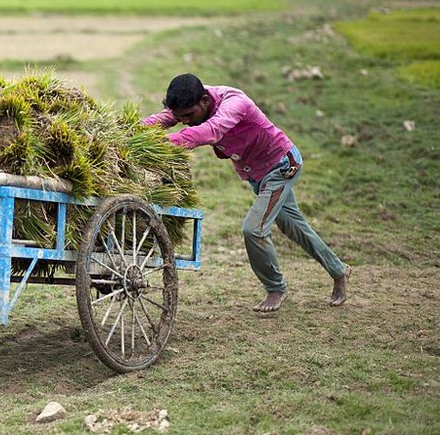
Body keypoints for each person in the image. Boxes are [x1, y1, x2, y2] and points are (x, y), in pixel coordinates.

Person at [143, 73, 350, 313]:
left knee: (254, 229)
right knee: (293, 225)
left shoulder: (233, 103)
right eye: (181, 117)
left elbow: (211, 130)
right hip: (257, 175)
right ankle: (339, 270)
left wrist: (164, 143)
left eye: (189, 116)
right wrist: (133, 133)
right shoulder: (189, 101)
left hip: (281, 166)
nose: (186, 121)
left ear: (204, 102)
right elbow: (165, 119)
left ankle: (275, 288)